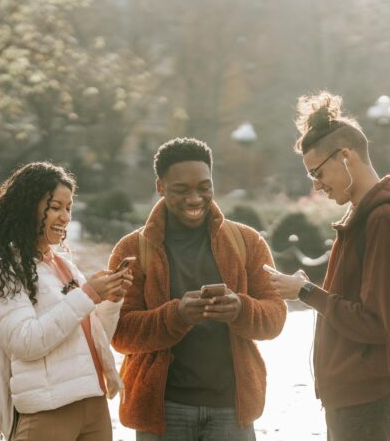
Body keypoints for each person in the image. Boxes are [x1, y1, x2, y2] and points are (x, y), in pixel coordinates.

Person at [268, 92, 390, 441]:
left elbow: (376, 324)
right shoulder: (363, 215)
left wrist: (306, 292)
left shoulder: (383, 219)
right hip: (353, 397)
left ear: (345, 156)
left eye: (318, 172)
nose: (317, 186)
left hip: (368, 401)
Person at [109, 138, 287, 440]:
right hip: (162, 411)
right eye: (181, 190)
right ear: (160, 187)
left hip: (232, 409)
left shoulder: (247, 241)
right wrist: (175, 316)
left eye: (204, 187)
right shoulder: (132, 249)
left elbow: (276, 317)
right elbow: (120, 333)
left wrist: (240, 309)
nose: (195, 198)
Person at [0, 162, 132, 441]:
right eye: (55, 207)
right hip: (48, 412)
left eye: (69, 208)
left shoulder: (64, 266)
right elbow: (27, 342)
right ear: (29, 208)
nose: (65, 217)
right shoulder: (5, 269)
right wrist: (88, 296)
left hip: (94, 404)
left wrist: (110, 301)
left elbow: (94, 340)